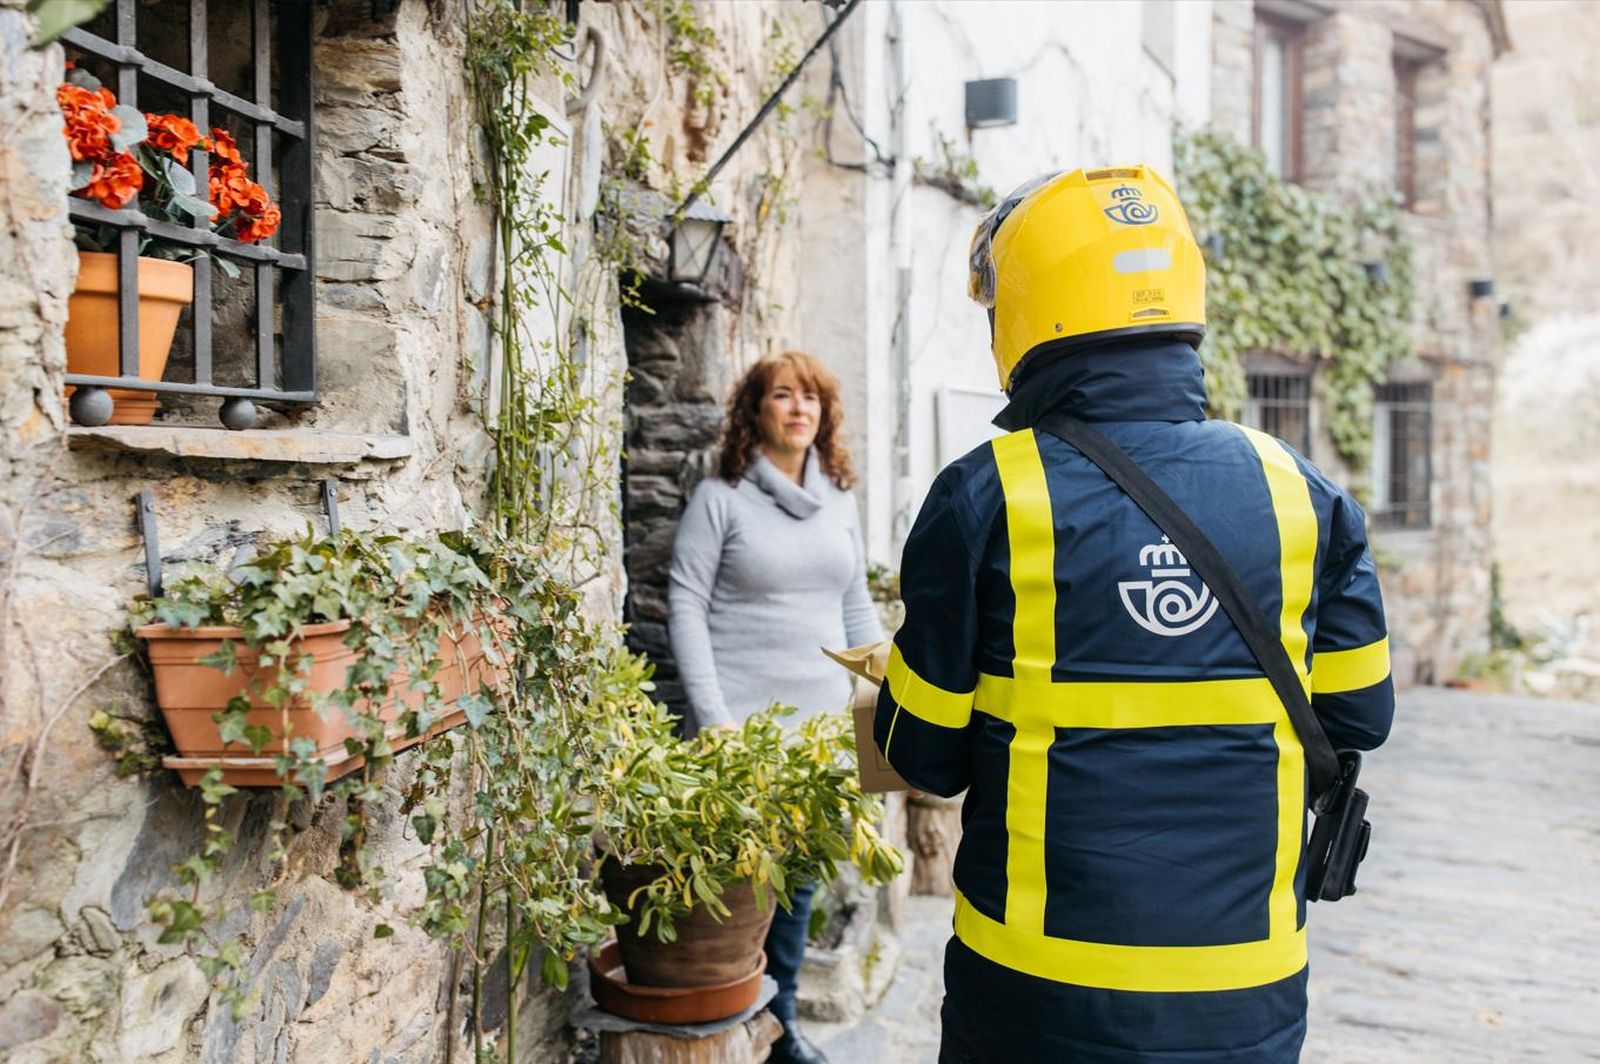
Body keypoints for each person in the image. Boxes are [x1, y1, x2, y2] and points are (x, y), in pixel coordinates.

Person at [875, 165, 1395, 1063]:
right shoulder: (1301, 494)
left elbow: (921, 754)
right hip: (1246, 995)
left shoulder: (988, 495)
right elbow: (1360, 717)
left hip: (1037, 997)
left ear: (1029, 312)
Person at [668, 350, 883, 1064]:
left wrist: (882, 715)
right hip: (741, 731)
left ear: (824, 416)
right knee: (739, 891)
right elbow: (686, 607)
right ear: (754, 412)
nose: (799, 409)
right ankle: (737, 1026)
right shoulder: (720, 498)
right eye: (782, 396)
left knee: (797, 884)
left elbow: (854, 605)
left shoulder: (840, 499)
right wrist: (715, 717)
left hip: (819, 733)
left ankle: (783, 1025)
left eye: (811, 399)